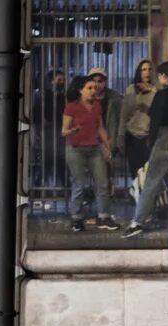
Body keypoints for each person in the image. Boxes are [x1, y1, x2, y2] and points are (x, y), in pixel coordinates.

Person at [125, 61, 168, 238]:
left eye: (159, 75)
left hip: (166, 136)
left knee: (151, 181)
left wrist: (153, 143)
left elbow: (155, 121)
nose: (158, 79)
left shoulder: (161, 96)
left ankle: (137, 222)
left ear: (164, 76)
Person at [62, 75, 118, 231]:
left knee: (102, 183)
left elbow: (100, 127)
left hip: (94, 148)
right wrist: (74, 130)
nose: (94, 90)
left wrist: (107, 146)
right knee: (79, 184)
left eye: (95, 87)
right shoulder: (71, 107)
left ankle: (104, 217)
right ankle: (77, 218)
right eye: (90, 88)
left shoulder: (97, 106)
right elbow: (64, 130)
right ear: (80, 90)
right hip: (76, 149)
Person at [118, 59, 157, 183]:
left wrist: (153, 92)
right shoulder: (131, 90)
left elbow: (160, 111)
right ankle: (138, 199)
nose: (147, 72)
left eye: (149, 69)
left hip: (148, 136)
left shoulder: (157, 91)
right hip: (133, 135)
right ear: (138, 72)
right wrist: (121, 136)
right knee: (136, 173)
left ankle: (147, 201)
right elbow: (124, 115)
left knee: (149, 174)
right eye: (143, 70)